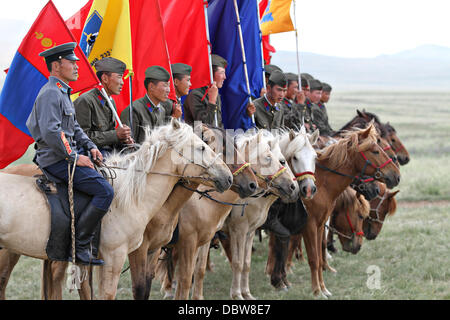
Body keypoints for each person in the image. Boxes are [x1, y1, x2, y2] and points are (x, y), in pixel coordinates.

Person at [26, 42, 114, 266]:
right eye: (72, 62)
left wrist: (91, 146)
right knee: (104, 191)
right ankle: (81, 247)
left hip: (65, 155)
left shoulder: (63, 92)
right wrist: (75, 157)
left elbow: (74, 129)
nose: (77, 66)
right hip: (56, 160)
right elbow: (52, 132)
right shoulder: (50, 94)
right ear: (57, 66)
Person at [74, 57, 133, 157]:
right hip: (91, 155)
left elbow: (109, 137)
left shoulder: (110, 101)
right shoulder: (86, 101)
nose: (122, 82)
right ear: (105, 78)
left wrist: (123, 140)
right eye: (119, 77)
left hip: (109, 153)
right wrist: (115, 135)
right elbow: (80, 138)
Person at [120, 65, 170, 144]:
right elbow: (127, 146)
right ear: (151, 87)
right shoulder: (134, 110)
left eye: (169, 85)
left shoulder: (161, 110)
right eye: (165, 85)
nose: (168, 90)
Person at [183, 54, 227, 128]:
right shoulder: (195, 95)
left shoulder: (215, 93)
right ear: (211, 73)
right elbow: (205, 125)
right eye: (222, 73)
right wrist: (212, 101)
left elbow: (217, 124)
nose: (225, 77)